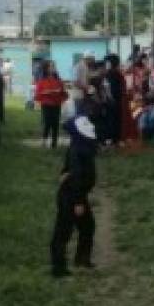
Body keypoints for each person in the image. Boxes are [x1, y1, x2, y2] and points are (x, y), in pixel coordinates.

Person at [49, 115, 98, 277]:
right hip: (72, 195)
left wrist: (65, 174)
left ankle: (81, 259)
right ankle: (58, 267)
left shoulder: (79, 146)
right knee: (63, 230)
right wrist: (78, 201)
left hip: (76, 193)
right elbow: (76, 174)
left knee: (87, 226)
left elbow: (69, 170)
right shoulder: (79, 149)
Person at [34, 61, 67, 149]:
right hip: (46, 104)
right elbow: (38, 94)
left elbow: (63, 92)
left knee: (55, 123)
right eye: (51, 66)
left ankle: (54, 143)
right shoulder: (42, 80)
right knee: (47, 123)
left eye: (54, 66)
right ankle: (44, 141)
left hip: (56, 104)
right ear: (46, 68)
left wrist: (61, 92)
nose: (53, 68)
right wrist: (47, 92)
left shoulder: (58, 80)